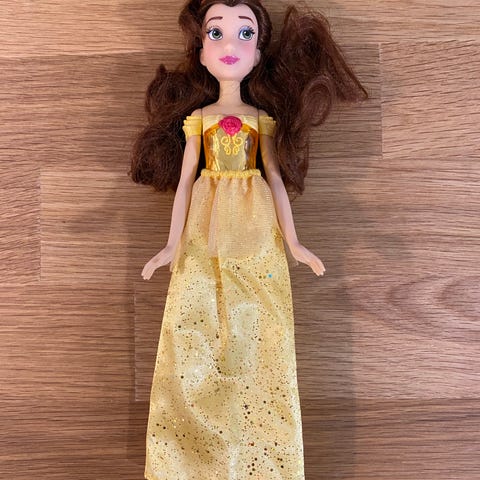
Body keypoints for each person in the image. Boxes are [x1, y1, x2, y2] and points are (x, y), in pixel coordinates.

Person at [130, 1, 367, 478]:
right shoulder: (200, 119)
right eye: (216, 33)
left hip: (255, 220)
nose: (230, 45)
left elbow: (275, 179)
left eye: (245, 34)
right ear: (201, 53)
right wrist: (171, 245)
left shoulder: (261, 119)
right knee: (195, 315)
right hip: (206, 219)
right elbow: (185, 180)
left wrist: (294, 243)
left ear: (258, 54)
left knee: (258, 317)